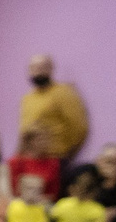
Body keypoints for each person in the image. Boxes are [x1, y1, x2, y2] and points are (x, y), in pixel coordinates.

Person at [18, 54, 87, 182]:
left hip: (55, 160)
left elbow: (79, 128)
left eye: (42, 67)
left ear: (51, 69)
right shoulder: (27, 98)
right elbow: (24, 130)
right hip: (30, 160)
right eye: (33, 67)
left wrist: (67, 155)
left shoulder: (63, 93)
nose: (37, 71)